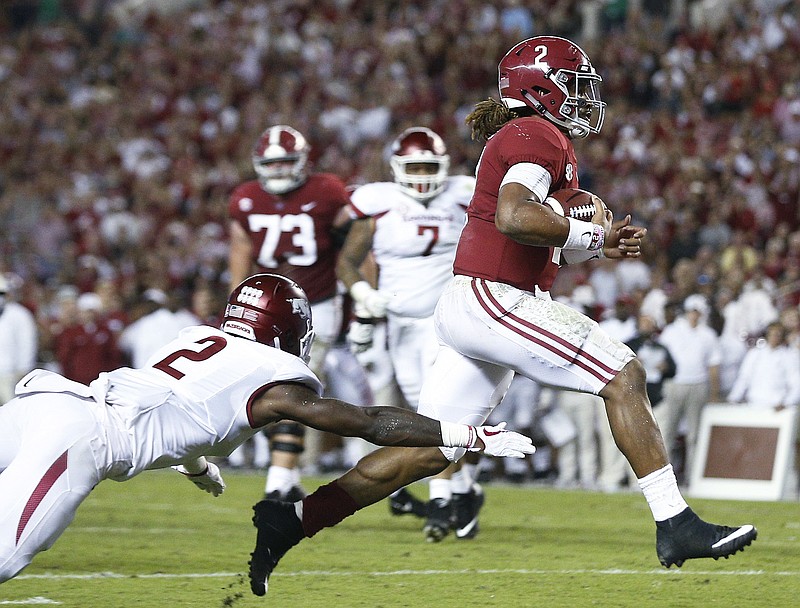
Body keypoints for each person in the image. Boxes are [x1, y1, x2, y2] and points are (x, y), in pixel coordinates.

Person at [246, 36, 757, 598]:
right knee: (622, 375)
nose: (586, 98)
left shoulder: (526, 135)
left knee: (433, 448)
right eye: (577, 84)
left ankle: (291, 521)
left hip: (474, 303)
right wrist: (591, 231)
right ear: (543, 87)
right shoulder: (535, 133)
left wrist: (596, 242)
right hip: (496, 296)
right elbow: (515, 217)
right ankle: (675, 523)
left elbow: (535, 229)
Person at [0, 273, 534, 584]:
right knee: (7, 555)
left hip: (47, 403)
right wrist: (470, 435)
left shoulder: (195, 339)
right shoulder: (275, 380)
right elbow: (368, 422)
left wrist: (195, 464)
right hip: (79, 438)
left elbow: (166, 401)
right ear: (286, 330)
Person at [336, 126, 482, 540]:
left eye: (428, 166)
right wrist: (363, 294)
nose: (421, 175)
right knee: (427, 413)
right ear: (397, 168)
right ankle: (463, 490)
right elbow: (346, 262)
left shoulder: (462, 195)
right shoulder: (378, 202)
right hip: (400, 326)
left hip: (450, 320)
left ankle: (441, 499)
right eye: (414, 166)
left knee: (441, 413)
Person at [227, 124, 353, 500]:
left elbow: (355, 243)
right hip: (266, 310)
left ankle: (279, 477)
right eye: (273, 163)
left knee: (293, 387)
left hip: (316, 304)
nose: (280, 170)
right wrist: (237, 299)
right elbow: (239, 251)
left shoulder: (327, 191)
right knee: (273, 388)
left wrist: (359, 292)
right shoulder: (245, 197)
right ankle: (286, 473)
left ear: (302, 162)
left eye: (286, 162)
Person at [656, 294, 722, 481]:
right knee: (667, 432)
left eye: (697, 311)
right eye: (691, 311)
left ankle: (694, 477)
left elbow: (714, 365)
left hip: (698, 384)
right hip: (674, 383)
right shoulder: (672, 330)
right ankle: (664, 478)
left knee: (695, 434)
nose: (694, 315)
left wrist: (714, 393)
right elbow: (660, 358)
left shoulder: (708, 334)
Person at [0, 275, 38, 405]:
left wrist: (24, 368)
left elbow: (27, 343)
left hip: (10, 373)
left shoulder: (19, 314)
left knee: (11, 412)